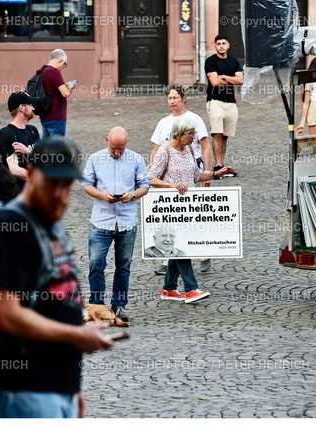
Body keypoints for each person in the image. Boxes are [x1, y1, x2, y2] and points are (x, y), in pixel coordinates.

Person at [0, 136, 114, 418]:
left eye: (67, 186)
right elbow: (6, 314)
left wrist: (72, 388)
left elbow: (63, 298)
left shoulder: (52, 224)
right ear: (31, 173)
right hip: (21, 386)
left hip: (55, 383)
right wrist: (75, 335)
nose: (60, 194)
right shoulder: (9, 228)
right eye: (53, 184)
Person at [147, 116, 233, 304]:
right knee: (182, 247)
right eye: (190, 134)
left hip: (188, 207)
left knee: (180, 246)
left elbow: (195, 175)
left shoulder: (187, 150)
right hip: (170, 208)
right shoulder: (165, 151)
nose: (194, 137)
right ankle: (191, 288)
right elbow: (151, 178)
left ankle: (169, 288)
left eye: (194, 133)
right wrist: (171, 185)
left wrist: (216, 174)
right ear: (178, 134)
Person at [82, 126, 149, 323]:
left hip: (127, 221)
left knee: (124, 266)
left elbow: (145, 185)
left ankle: (119, 306)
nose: (117, 153)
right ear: (106, 141)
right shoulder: (95, 159)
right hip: (101, 220)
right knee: (96, 263)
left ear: (127, 143)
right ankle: (96, 304)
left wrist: (133, 195)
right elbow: (86, 184)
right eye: (114, 149)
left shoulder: (136, 159)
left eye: (121, 149)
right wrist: (103, 196)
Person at [149, 85, 213, 275]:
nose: (172, 101)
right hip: (170, 176)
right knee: (169, 217)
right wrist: (155, 170)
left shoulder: (194, 119)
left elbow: (205, 146)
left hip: (191, 169)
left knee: (196, 215)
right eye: (169, 98)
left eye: (175, 97)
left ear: (183, 98)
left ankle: (203, 254)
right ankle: (166, 260)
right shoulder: (163, 122)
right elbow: (156, 149)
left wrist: (209, 171)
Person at [205, 34, 243, 176]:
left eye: (223, 43)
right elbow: (214, 82)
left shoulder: (234, 61)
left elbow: (241, 80)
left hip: (230, 102)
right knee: (217, 133)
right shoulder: (211, 61)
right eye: (218, 44)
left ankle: (222, 164)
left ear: (228, 45)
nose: (221, 46)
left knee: (225, 135)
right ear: (215, 46)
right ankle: (218, 165)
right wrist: (232, 79)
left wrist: (225, 77)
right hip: (215, 100)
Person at [0, 91, 41, 188]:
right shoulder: (7, 134)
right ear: (22, 108)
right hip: (12, 191)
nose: (33, 108)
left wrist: (29, 151)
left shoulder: (33, 130)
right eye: (30, 105)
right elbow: (14, 170)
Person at [39, 49, 77, 137]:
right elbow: (65, 94)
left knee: (46, 148)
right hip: (56, 116)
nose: (63, 67)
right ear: (60, 60)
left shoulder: (42, 70)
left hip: (45, 115)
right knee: (56, 148)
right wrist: (70, 87)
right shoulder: (54, 71)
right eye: (64, 64)